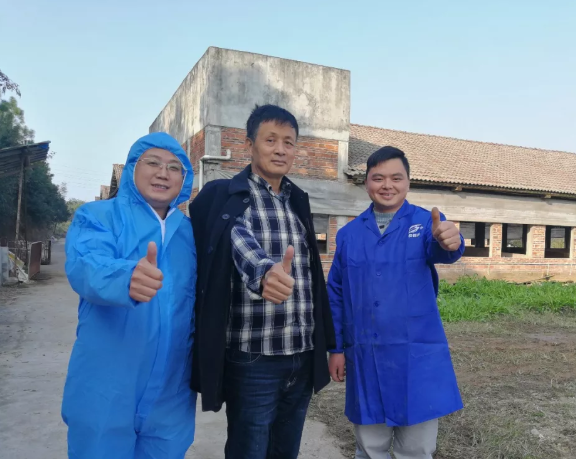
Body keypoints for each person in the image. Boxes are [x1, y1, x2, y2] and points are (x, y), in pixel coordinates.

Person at [189, 104, 336, 458]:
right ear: (249, 145)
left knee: (286, 450)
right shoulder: (229, 196)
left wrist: (326, 342)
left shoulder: (296, 201)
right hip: (254, 357)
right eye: (270, 140)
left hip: (301, 353)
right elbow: (239, 242)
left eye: (289, 142)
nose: (280, 149)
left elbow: (312, 275)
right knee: (249, 450)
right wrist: (266, 273)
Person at [62, 132, 197, 459]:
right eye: (153, 163)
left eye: (174, 167)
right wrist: (125, 277)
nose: (163, 173)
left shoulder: (190, 232)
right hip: (106, 388)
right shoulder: (98, 216)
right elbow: (85, 265)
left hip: (172, 391)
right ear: (132, 168)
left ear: (184, 179)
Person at [327, 146, 465, 459]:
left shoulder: (425, 222)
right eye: (378, 178)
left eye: (396, 178)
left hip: (414, 355)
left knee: (416, 449)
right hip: (365, 353)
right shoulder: (349, 234)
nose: (387, 185)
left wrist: (451, 241)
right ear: (366, 183)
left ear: (408, 182)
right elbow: (335, 292)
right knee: (369, 447)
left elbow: (442, 247)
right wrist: (335, 348)